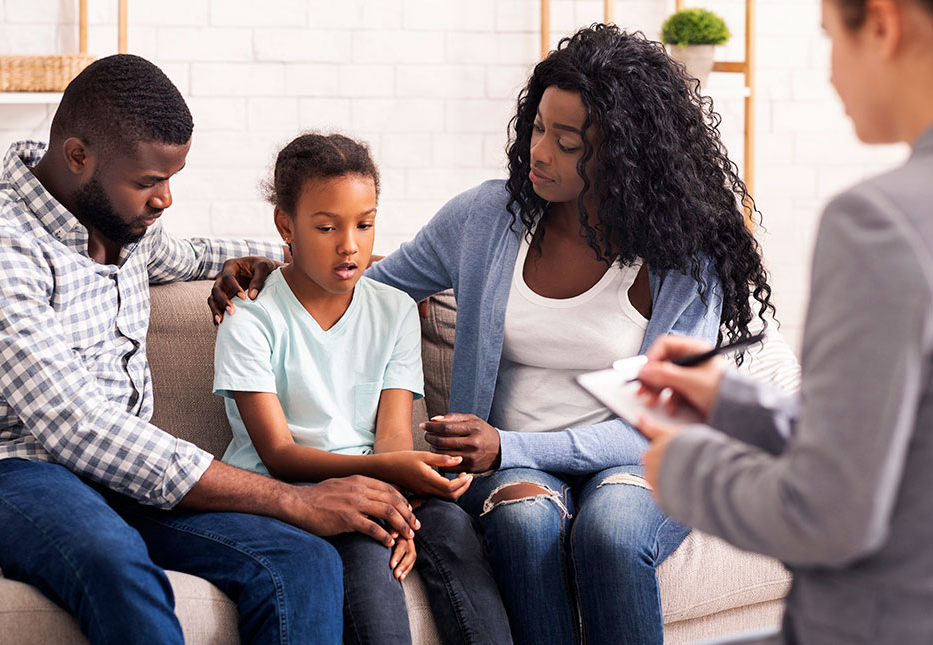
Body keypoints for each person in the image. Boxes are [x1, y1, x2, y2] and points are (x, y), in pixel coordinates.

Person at [211, 24, 776, 644]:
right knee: (523, 525)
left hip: (636, 458)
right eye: (537, 128)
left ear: (624, 153)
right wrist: (273, 264)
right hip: (507, 467)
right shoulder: (487, 218)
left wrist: (508, 447)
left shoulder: (686, 257)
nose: (539, 152)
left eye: (567, 142)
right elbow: (371, 282)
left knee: (611, 534)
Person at [0, 54, 421, 645]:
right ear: (79, 157)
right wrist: (291, 501)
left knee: (301, 561)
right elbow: (79, 428)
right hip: (17, 471)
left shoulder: (123, 232)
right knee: (115, 562)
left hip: (127, 482)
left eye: (171, 179)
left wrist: (320, 260)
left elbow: (199, 253)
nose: (165, 200)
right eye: (148, 182)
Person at [632, 0, 933, 642]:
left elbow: (829, 510)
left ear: (882, 24)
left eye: (831, 40)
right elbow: (893, 443)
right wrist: (732, 402)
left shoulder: (879, 222)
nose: (829, 74)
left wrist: (685, 468)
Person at [213, 132, 512, 644]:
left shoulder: (394, 310)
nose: (349, 244)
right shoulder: (251, 320)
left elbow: (393, 434)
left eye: (365, 224)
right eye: (326, 227)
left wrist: (401, 486)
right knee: (367, 545)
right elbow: (280, 454)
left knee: (454, 527)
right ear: (286, 224)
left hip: (379, 479)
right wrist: (388, 480)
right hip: (290, 492)